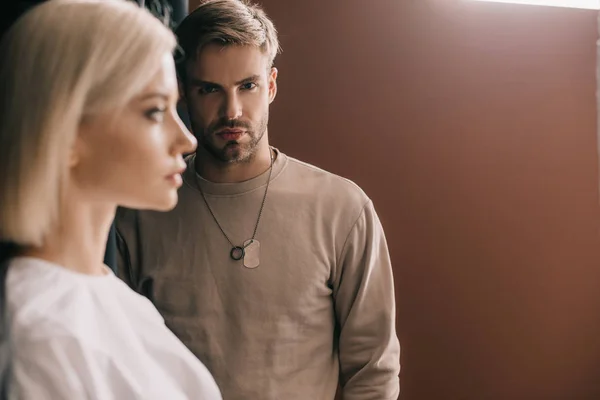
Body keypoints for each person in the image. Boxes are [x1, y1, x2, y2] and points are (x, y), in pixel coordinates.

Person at [115, 0, 401, 399]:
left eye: (247, 86)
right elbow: (122, 366)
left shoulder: (342, 209)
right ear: (184, 92)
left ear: (271, 85)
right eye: (210, 89)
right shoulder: (140, 214)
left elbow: (373, 372)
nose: (231, 111)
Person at [0, 0, 222, 398]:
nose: (187, 139)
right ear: (66, 131)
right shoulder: (42, 336)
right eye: (154, 111)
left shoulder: (119, 301)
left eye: (177, 107)